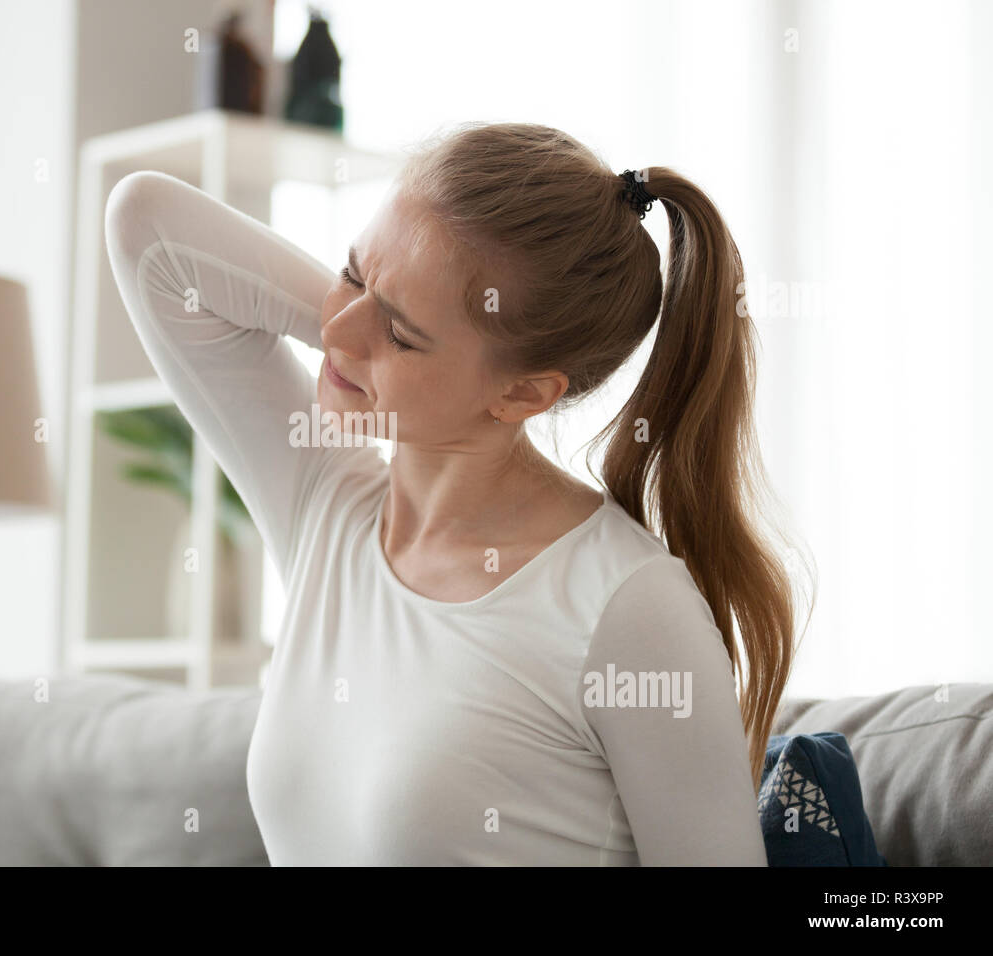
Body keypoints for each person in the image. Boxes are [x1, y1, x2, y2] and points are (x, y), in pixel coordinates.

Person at [104, 121, 804, 865]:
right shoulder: (327, 508)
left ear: (525, 392)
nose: (339, 332)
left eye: (403, 333)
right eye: (352, 272)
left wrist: (373, 332)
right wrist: (376, 335)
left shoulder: (630, 609)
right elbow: (148, 228)